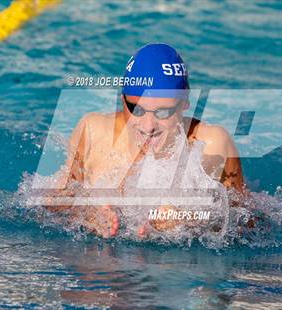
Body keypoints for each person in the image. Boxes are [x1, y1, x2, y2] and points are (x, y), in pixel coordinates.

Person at [45, 43, 245, 238]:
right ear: (123, 100)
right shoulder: (92, 131)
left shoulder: (212, 144)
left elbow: (248, 223)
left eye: (163, 112)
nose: (148, 126)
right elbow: (49, 203)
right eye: (136, 109)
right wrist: (84, 212)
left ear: (184, 103)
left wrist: (190, 220)